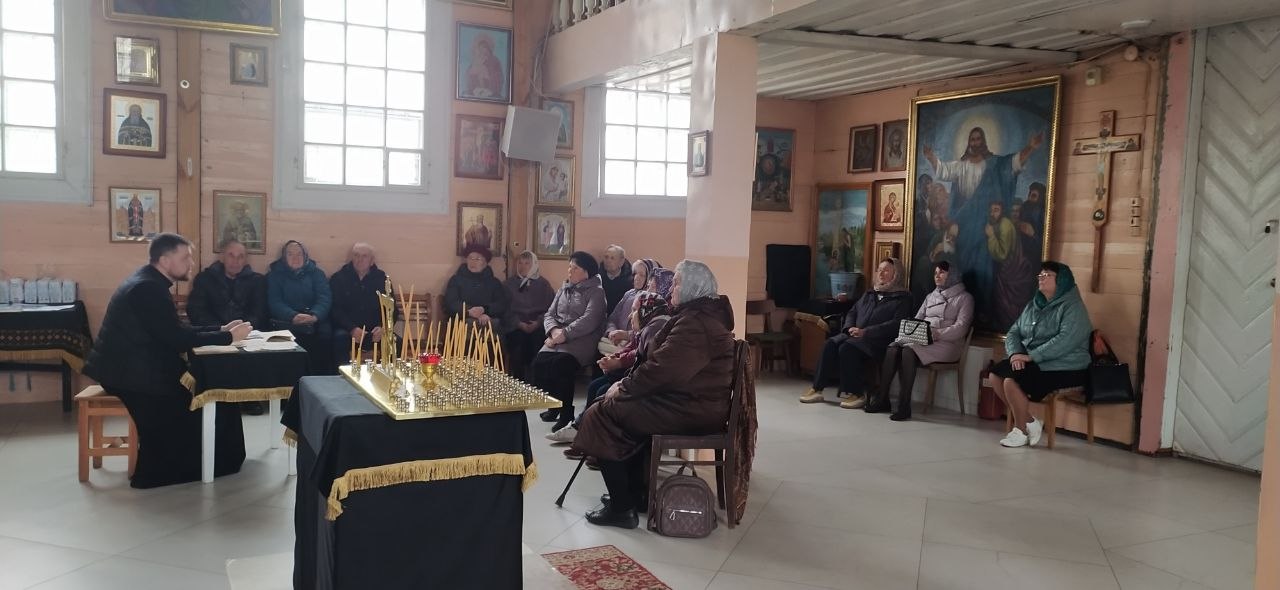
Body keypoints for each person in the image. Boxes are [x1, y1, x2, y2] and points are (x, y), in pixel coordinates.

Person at [573, 260, 735, 529]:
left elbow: (662, 370)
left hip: (690, 409)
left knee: (600, 413)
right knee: (614, 406)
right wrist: (626, 386)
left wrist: (624, 386)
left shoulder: (697, 323)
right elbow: (663, 365)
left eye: (677, 282)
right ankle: (635, 495)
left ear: (693, 287)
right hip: (687, 402)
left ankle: (621, 508)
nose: (671, 288)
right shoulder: (699, 315)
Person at [83, 233, 253, 488]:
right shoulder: (147, 289)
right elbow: (176, 339)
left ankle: (217, 460)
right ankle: (211, 464)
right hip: (131, 376)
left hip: (134, 367)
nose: (191, 263)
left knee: (215, 397)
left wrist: (220, 329)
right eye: (185, 258)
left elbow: (172, 329)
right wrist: (228, 337)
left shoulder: (150, 281)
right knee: (209, 400)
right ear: (164, 260)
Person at [923, 127, 1044, 325]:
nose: (975, 142)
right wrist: (930, 157)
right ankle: (960, 310)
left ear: (984, 141)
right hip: (964, 221)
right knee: (962, 264)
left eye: (979, 139)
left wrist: (1030, 147)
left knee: (983, 264)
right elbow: (943, 169)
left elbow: (1012, 163)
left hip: (983, 222)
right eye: (972, 139)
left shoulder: (994, 165)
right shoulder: (961, 166)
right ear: (969, 142)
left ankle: (981, 309)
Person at [988, 261, 1092, 447]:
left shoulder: (1073, 307)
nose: (1041, 278)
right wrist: (1015, 354)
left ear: (1062, 280)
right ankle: (1030, 421)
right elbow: (1014, 332)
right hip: (1036, 361)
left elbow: (1065, 341)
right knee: (995, 375)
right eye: (1040, 275)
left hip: (1066, 366)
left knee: (1011, 381)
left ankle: (1020, 431)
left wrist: (1031, 356)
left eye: (1047, 275)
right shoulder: (1034, 305)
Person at [550, 291, 672, 445]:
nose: (630, 316)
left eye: (634, 310)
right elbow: (632, 347)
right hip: (635, 378)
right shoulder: (648, 326)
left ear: (646, 311)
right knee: (595, 385)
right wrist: (615, 357)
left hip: (645, 386)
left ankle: (587, 432)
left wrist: (618, 362)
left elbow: (640, 358)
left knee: (603, 391)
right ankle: (584, 429)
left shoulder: (654, 329)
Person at [799, 258, 913, 409]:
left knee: (847, 348)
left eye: (886, 270)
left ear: (896, 274)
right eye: (879, 270)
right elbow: (852, 312)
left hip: (878, 341)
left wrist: (866, 332)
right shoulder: (870, 293)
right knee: (830, 344)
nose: (881, 274)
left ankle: (857, 394)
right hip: (855, 335)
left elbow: (896, 324)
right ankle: (817, 389)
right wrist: (849, 328)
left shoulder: (902, 297)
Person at [872, 261, 973, 420]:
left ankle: (904, 406)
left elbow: (961, 327)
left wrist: (938, 334)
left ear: (952, 275)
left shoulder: (965, 298)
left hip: (948, 344)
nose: (937, 276)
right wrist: (909, 334)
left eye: (942, 272)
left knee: (908, 351)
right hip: (923, 338)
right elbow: (917, 319)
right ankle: (882, 399)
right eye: (935, 273)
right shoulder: (930, 296)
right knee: (893, 348)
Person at [187, 238, 269, 414]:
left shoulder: (257, 281)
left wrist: (244, 328)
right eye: (231, 255)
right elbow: (196, 310)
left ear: (246, 259)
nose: (235, 261)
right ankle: (213, 394)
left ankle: (249, 397)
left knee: (250, 352)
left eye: (240, 256)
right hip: (214, 332)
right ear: (222, 257)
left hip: (246, 333)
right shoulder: (205, 279)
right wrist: (221, 331)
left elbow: (259, 311)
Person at [533, 251, 606, 431]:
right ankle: (554, 405)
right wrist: (553, 331)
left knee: (561, 365)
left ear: (586, 272)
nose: (570, 271)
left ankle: (566, 413)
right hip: (558, 337)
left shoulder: (596, 292)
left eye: (575, 268)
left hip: (583, 339)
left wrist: (564, 334)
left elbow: (590, 320)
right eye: (569, 267)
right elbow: (549, 314)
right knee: (540, 363)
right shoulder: (564, 288)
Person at [267, 240, 332, 374]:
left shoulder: (317, 274)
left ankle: (318, 379)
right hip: (287, 320)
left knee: (325, 337)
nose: (295, 258)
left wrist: (314, 315)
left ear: (305, 256)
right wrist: (292, 316)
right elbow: (275, 301)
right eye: (290, 254)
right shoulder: (274, 275)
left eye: (299, 254)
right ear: (284, 257)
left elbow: (324, 298)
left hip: (313, 319)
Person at [329, 243, 394, 364]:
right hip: (347, 330)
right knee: (339, 340)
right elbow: (334, 309)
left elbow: (392, 309)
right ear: (351, 258)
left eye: (364, 256)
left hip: (375, 330)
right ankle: (341, 375)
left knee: (395, 342)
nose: (360, 259)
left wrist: (383, 327)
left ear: (372, 261)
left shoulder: (383, 279)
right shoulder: (338, 278)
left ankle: (388, 375)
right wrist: (352, 329)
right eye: (356, 255)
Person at [503, 250, 555, 381]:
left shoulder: (544, 284)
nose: (523, 266)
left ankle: (535, 383)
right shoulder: (509, 284)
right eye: (520, 263)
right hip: (515, 326)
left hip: (538, 325)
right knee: (517, 346)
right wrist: (518, 323)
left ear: (534, 265)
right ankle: (518, 382)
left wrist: (538, 322)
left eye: (527, 263)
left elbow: (551, 309)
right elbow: (504, 309)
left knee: (537, 344)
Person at [987, 201, 1037, 330]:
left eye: (1017, 211)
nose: (1015, 214)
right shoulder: (1002, 225)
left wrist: (991, 236)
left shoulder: (1008, 226)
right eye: (1012, 211)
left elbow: (1003, 254)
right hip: (1007, 272)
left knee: (1011, 307)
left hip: (1018, 273)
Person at [443, 244, 508, 330]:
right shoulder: (456, 280)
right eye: (470, 258)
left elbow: (501, 304)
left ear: (485, 262)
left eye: (478, 259)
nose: (473, 262)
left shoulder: (494, 282)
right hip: (462, 323)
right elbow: (451, 303)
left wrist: (484, 310)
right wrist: (470, 311)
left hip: (489, 322)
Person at [602, 258, 661, 348]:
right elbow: (612, 318)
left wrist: (625, 335)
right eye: (635, 273)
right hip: (615, 341)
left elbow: (649, 331)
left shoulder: (654, 300)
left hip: (635, 346)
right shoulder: (629, 294)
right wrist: (612, 331)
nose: (636, 277)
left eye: (642, 275)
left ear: (651, 278)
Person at [464, 34, 504, 99]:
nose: (483, 51)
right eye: (480, 48)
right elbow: (468, 78)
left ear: (489, 49)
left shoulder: (495, 61)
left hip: (491, 92)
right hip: (476, 92)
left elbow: (499, 79)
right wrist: (474, 71)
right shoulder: (476, 61)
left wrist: (487, 74)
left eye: (485, 48)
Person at [599, 245, 632, 316]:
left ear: (621, 262)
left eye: (612, 258)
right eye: (606, 257)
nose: (608, 261)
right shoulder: (597, 278)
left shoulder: (630, 281)